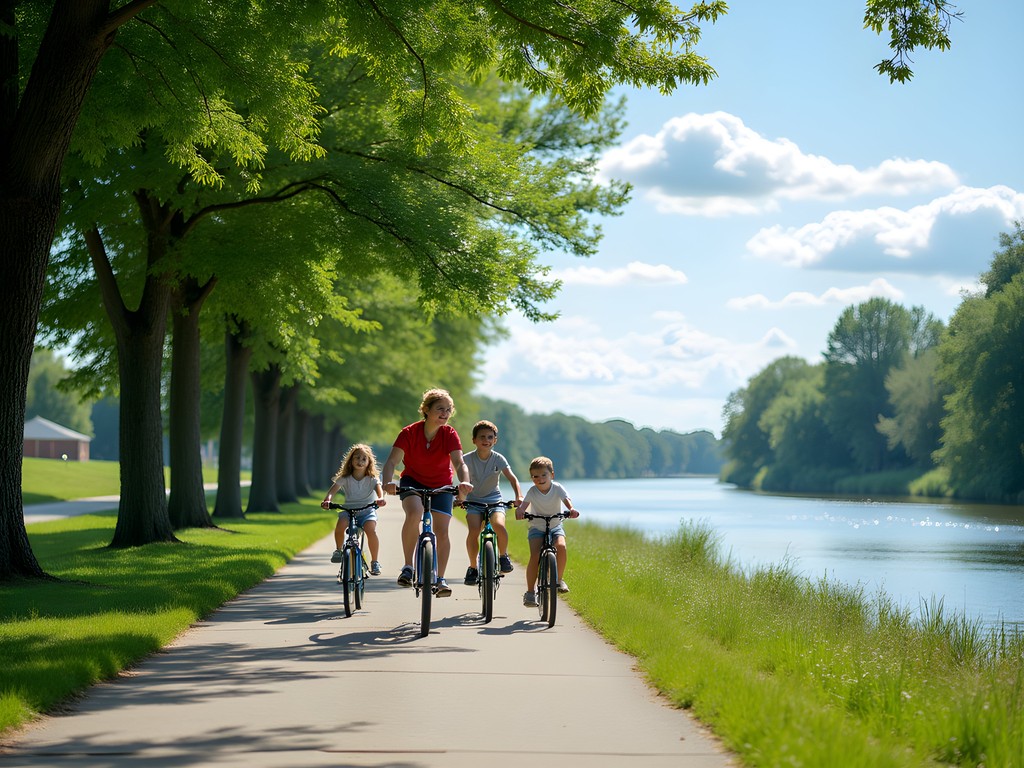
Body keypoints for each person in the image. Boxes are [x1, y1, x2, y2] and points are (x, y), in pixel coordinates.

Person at [381, 388, 473, 597]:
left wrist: (465, 482)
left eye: (449, 410)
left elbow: (459, 463)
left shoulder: (449, 434)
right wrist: (387, 482)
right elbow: (392, 461)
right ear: (425, 409)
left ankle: (440, 579)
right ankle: (408, 567)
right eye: (440, 409)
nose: (445, 413)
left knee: (442, 531)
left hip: (441, 484)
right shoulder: (408, 433)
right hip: (412, 482)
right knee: (414, 513)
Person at [459, 420, 523, 585]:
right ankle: (473, 567)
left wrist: (519, 496)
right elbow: (459, 480)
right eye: (482, 437)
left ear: (495, 440)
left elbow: (512, 479)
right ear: (474, 440)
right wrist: (460, 498)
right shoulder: (466, 459)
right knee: (474, 530)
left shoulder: (498, 459)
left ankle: (503, 556)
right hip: (474, 501)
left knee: (499, 525)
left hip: (494, 499)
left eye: (490, 437)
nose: (486, 440)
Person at [514, 455, 580, 607]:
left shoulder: (557, 488)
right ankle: (530, 592)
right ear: (532, 478)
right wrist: (520, 511)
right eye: (535, 476)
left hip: (555, 525)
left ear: (552, 475)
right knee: (535, 555)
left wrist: (571, 510)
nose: (540, 479)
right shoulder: (532, 491)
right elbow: (523, 506)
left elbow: (566, 501)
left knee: (561, 546)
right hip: (537, 527)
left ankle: (558, 580)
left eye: (544, 475)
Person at [320, 443, 387, 575]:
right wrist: (327, 500)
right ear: (351, 460)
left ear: (369, 462)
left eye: (364, 459)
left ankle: (375, 562)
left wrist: (380, 498)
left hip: (367, 510)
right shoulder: (345, 478)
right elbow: (332, 491)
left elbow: (379, 490)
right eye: (357, 458)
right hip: (349, 510)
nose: (360, 461)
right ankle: (338, 550)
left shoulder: (372, 478)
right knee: (341, 525)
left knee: (370, 530)